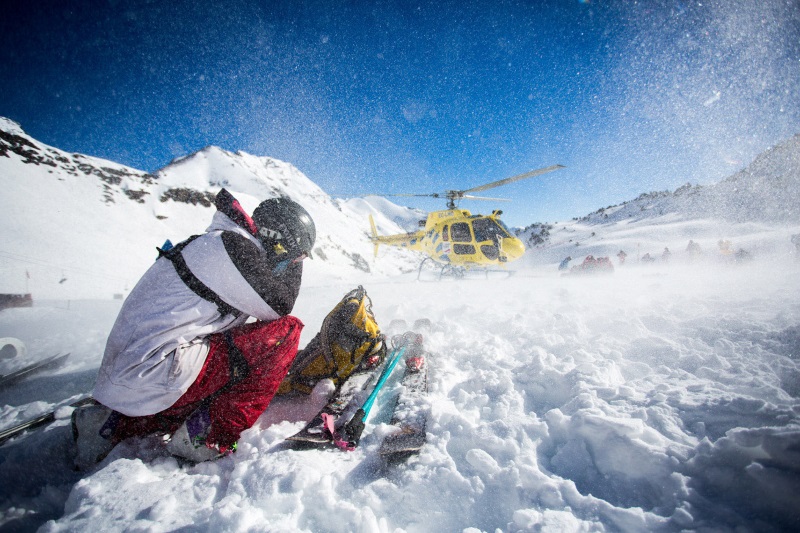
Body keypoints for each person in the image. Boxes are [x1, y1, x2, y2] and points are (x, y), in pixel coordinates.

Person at [72, 188, 315, 469]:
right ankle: (208, 436)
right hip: (152, 369)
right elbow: (281, 305)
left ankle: (113, 423)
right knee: (284, 335)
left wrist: (291, 252)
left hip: (133, 373)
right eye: (291, 257)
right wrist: (295, 259)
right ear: (277, 242)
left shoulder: (223, 244)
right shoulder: (234, 250)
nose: (290, 265)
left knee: (218, 354)